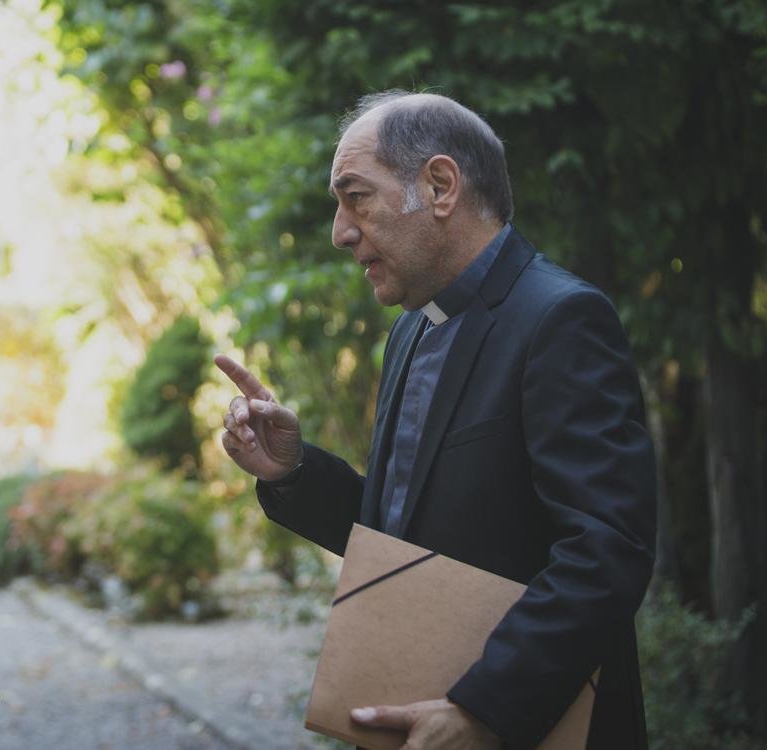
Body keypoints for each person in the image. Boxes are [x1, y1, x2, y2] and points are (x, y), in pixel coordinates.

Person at [216, 90, 655, 749]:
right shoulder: (410, 331)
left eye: (356, 197)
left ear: (440, 186)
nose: (340, 232)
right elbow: (402, 535)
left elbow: (606, 550)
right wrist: (293, 472)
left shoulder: (562, 319)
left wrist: (484, 712)